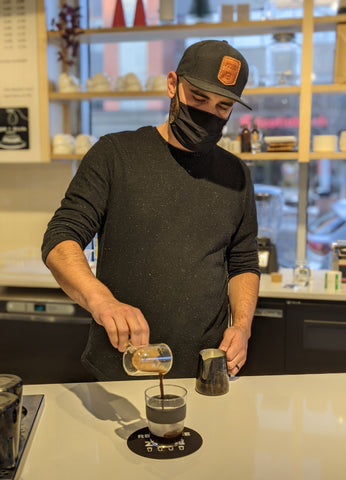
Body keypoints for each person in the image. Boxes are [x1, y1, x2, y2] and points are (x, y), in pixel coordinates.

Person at [42, 40, 260, 380]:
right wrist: (103, 302)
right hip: (122, 367)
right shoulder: (115, 155)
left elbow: (243, 262)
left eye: (222, 106)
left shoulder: (236, 175)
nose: (208, 113)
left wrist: (243, 327)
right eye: (199, 98)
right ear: (172, 84)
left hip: (205, 370)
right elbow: (60, 239)